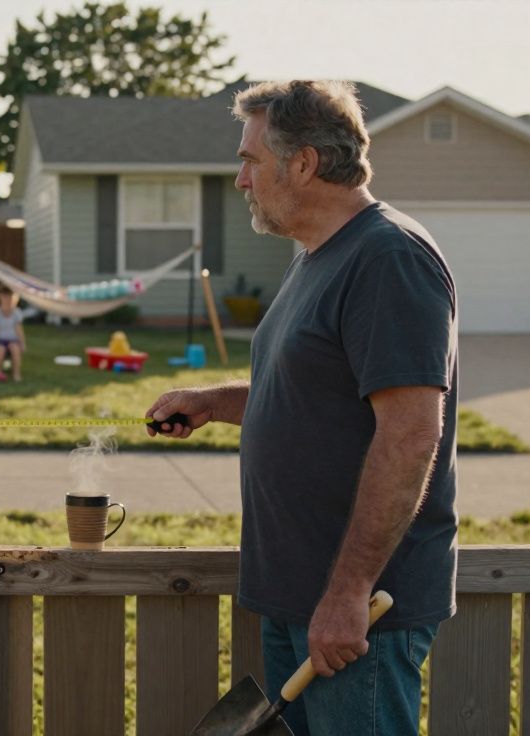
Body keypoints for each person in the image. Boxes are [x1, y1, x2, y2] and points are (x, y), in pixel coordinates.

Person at [145, 80, 457, 736]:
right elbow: (316, 395)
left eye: (250, 160)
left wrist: (348, 593)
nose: (241, 179)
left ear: (304, 163)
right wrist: (213, 402)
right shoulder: (318, 258)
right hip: (303, 597)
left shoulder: (389, 258)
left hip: (360, 614)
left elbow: (410, 435)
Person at [0, 284, 26, 381]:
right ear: (0, 297)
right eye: (5, 297)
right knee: (1, 349)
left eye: (11, 298)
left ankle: (16, 373)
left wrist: (22, 343)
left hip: (13, 340)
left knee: (15, 349)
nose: (8, 300)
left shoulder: (17, 313)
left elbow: (19, 330)